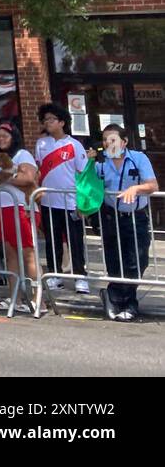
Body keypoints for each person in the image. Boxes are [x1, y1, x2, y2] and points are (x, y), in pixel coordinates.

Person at [92, 124, 158, 321]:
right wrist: (86, 164)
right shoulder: (101, 163)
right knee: (114, 261)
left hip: (135, 217)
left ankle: (118, 297)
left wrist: (136, 189)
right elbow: (86, 184)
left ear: (124, 142)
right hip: (110, 217)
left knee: (137, 261)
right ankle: (124, 302)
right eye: (105, 140)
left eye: (112, 139)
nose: (107, 144)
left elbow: (152, 185)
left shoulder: (138, 159)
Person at [0, 120, 40, 313]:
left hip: (20, 206)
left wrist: (2, 176)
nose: (1, 138)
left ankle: (38, 299)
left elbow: (28, 178)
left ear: (14, 136)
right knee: (10, 254)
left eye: (5, 135)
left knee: (28, 253)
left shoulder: (23, 154)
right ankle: (15, 297)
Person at [33, 102, 90, 295]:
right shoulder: (41, 144)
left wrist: (83, 202)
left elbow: (83, 175)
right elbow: (38, 169)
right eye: (45, 119)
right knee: (52, 240)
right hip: (49, 201)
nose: (47, 122)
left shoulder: (74, 145)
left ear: (62, 122)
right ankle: (54, 274)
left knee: (75, 241)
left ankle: (81, 276)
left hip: (71, 202)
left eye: (52, 119)